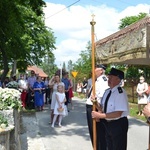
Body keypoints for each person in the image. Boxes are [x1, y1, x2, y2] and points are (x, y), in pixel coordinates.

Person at [92, 67, 129, 150]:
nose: (108, 79)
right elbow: (102, 108)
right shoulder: (107, 91)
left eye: (111, 77)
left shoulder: (120, 93)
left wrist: (100, 116)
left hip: (118, 124)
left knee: (118, 147)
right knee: (109, 146)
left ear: (118, 80)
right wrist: (95, 103)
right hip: (108, 124)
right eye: (109, 77)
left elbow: (118, 113)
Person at [86, 64, 109, 150]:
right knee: (93, 132)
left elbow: (103, 97)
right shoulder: (96, 80)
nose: (93, 70)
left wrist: (99, 112)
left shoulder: (103, 81)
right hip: (91, 106)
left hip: (96, 107)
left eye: (95, 69)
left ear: (101, 71)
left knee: (98, 134)